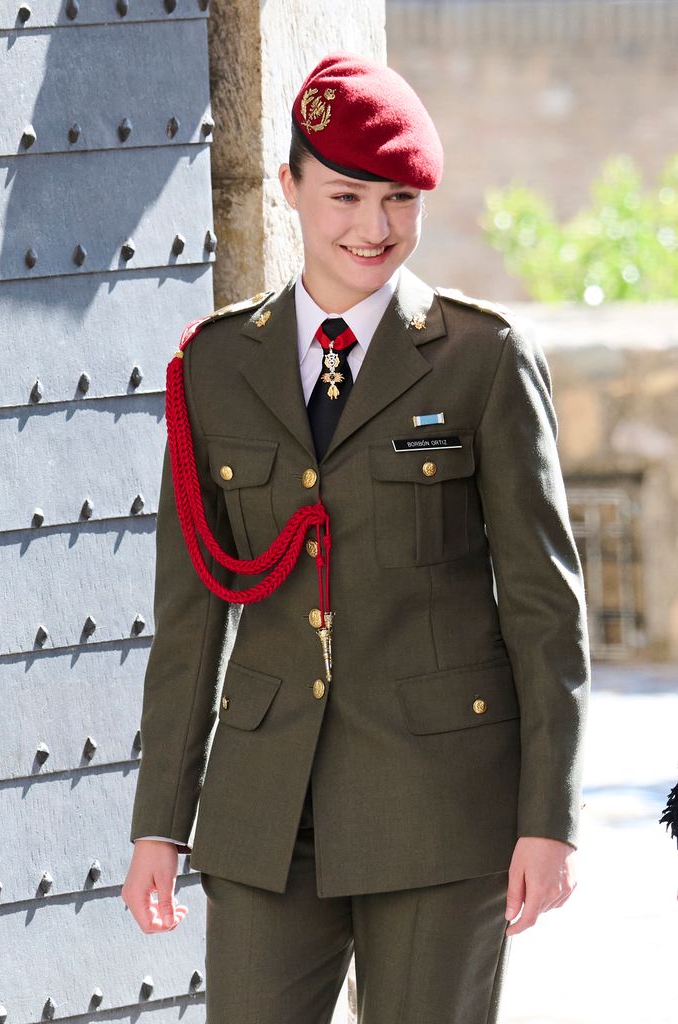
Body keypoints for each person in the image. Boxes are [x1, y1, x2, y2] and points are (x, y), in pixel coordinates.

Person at [121, 52, 591, 1024]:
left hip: (439, 805)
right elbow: (187, 618)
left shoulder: (483, 361)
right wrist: (160, 821)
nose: (373, 228)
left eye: (398, 199)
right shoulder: (213, 365)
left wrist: (549, 821)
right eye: (343, 195)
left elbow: (546, 611)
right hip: (264, 811)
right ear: (290, 186)